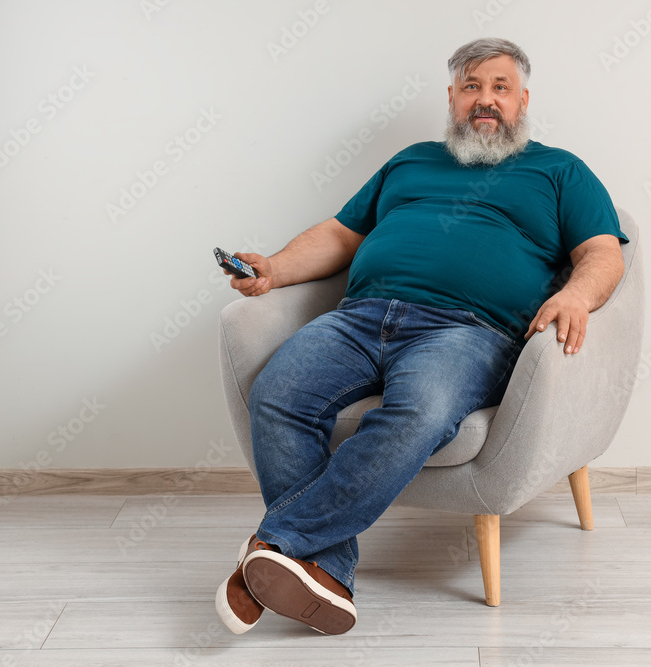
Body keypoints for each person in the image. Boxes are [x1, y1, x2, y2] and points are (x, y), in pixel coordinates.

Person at [214, 37, 628, 636]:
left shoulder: (560, 170)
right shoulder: (410, 160)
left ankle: (276, 545)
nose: (485, 101)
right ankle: (323, 570)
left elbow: (602, 255)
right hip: (359, 317)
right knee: (277, 392)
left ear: (524, 101)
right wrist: (274, 268)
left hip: (468, 331)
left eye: (500, 88)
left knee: (421, 410)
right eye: (471, 87)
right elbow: (339, 235)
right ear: (452, 98)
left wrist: (575, 294)